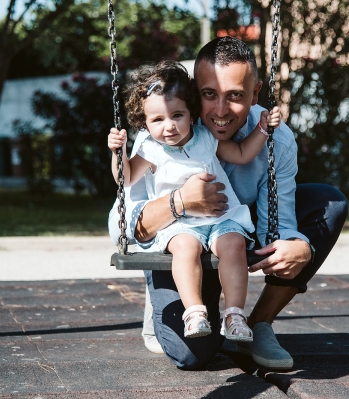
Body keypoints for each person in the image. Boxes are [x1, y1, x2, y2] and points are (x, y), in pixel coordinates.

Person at [108, 36, 348, 370]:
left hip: (230, 230)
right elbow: (122, 220)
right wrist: (180, 202)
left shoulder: (275, 138)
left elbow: (277, 218)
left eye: (235, 96)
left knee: (329, 203)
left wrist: (297, 246)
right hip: (180, 238)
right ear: (194, 92)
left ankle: (255, 323)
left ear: (255, 93)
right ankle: (177, 294)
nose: (220, 110)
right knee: (193, 355)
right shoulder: (163, 131)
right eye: (209, 95)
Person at [108, 60, 280, 342]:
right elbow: (125, 178)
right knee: (185, 249)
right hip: (181, 224)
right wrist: (118, 153)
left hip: (220, 218)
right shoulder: (151, 149)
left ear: (191, 113)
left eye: (177, 115)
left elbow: (240, 154)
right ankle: (195, 312)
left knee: (235, 245)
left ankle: (235, 315)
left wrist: (262, 130)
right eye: (157, 120)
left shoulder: (205, 137)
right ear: (145, 122)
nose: (169, 127)